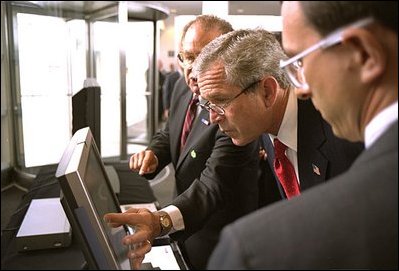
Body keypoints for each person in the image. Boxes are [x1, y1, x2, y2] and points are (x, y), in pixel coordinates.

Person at [207, 2, 398, 269]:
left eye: (300, 62)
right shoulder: (265, 131)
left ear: (364, 54)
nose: (300, 89)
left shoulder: (250, 252)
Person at [104, 15, 260, 270]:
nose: (192, 68)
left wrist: (161, 221)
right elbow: (170, 132)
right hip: (181, 219)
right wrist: (154, 153)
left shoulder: (235, 107)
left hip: (219, 238)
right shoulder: (180, 86)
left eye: (205, 57)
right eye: (186, 57)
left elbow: (213, 186)